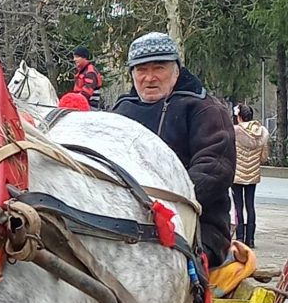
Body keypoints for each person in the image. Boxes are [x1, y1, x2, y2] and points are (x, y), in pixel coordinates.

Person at [112, 31, 236, 268]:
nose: (149, 78)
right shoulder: (121, 112)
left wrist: (161, 205)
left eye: (159, 68)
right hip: (126, 220)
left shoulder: (204, 109)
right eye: (141, 70)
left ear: (177, 70)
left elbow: (215, 168)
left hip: (199, 227)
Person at [232, 102, 270, 248]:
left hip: (236, 175)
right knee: (250, 205)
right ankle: (251, 239)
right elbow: (264, 157)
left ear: (239, 117)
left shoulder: (234, 131)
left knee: (238, 206)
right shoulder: (262, 133)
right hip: (253, 175)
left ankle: (240, 237)